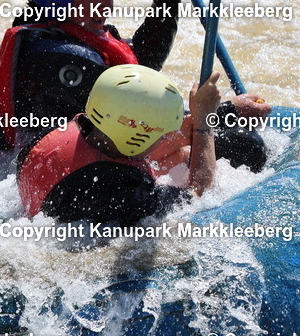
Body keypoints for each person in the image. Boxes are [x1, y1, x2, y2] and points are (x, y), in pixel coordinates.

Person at [0, 0, 268, 170]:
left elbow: (141, 62)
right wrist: (224, 113)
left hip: (90, 154)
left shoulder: (55, 30)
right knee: (244, 146)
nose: (107, 6)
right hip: (80, 171)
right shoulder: (60, 56)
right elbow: (140, 123)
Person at [18, 64, 221, 225]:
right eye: (163, 135)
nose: (167, 139)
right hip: (89, 245)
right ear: (135, 138)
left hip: (61, 205)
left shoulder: (52, 134)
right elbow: (199, 192)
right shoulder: (124, 196)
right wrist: (205, 122)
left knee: (183, 155)